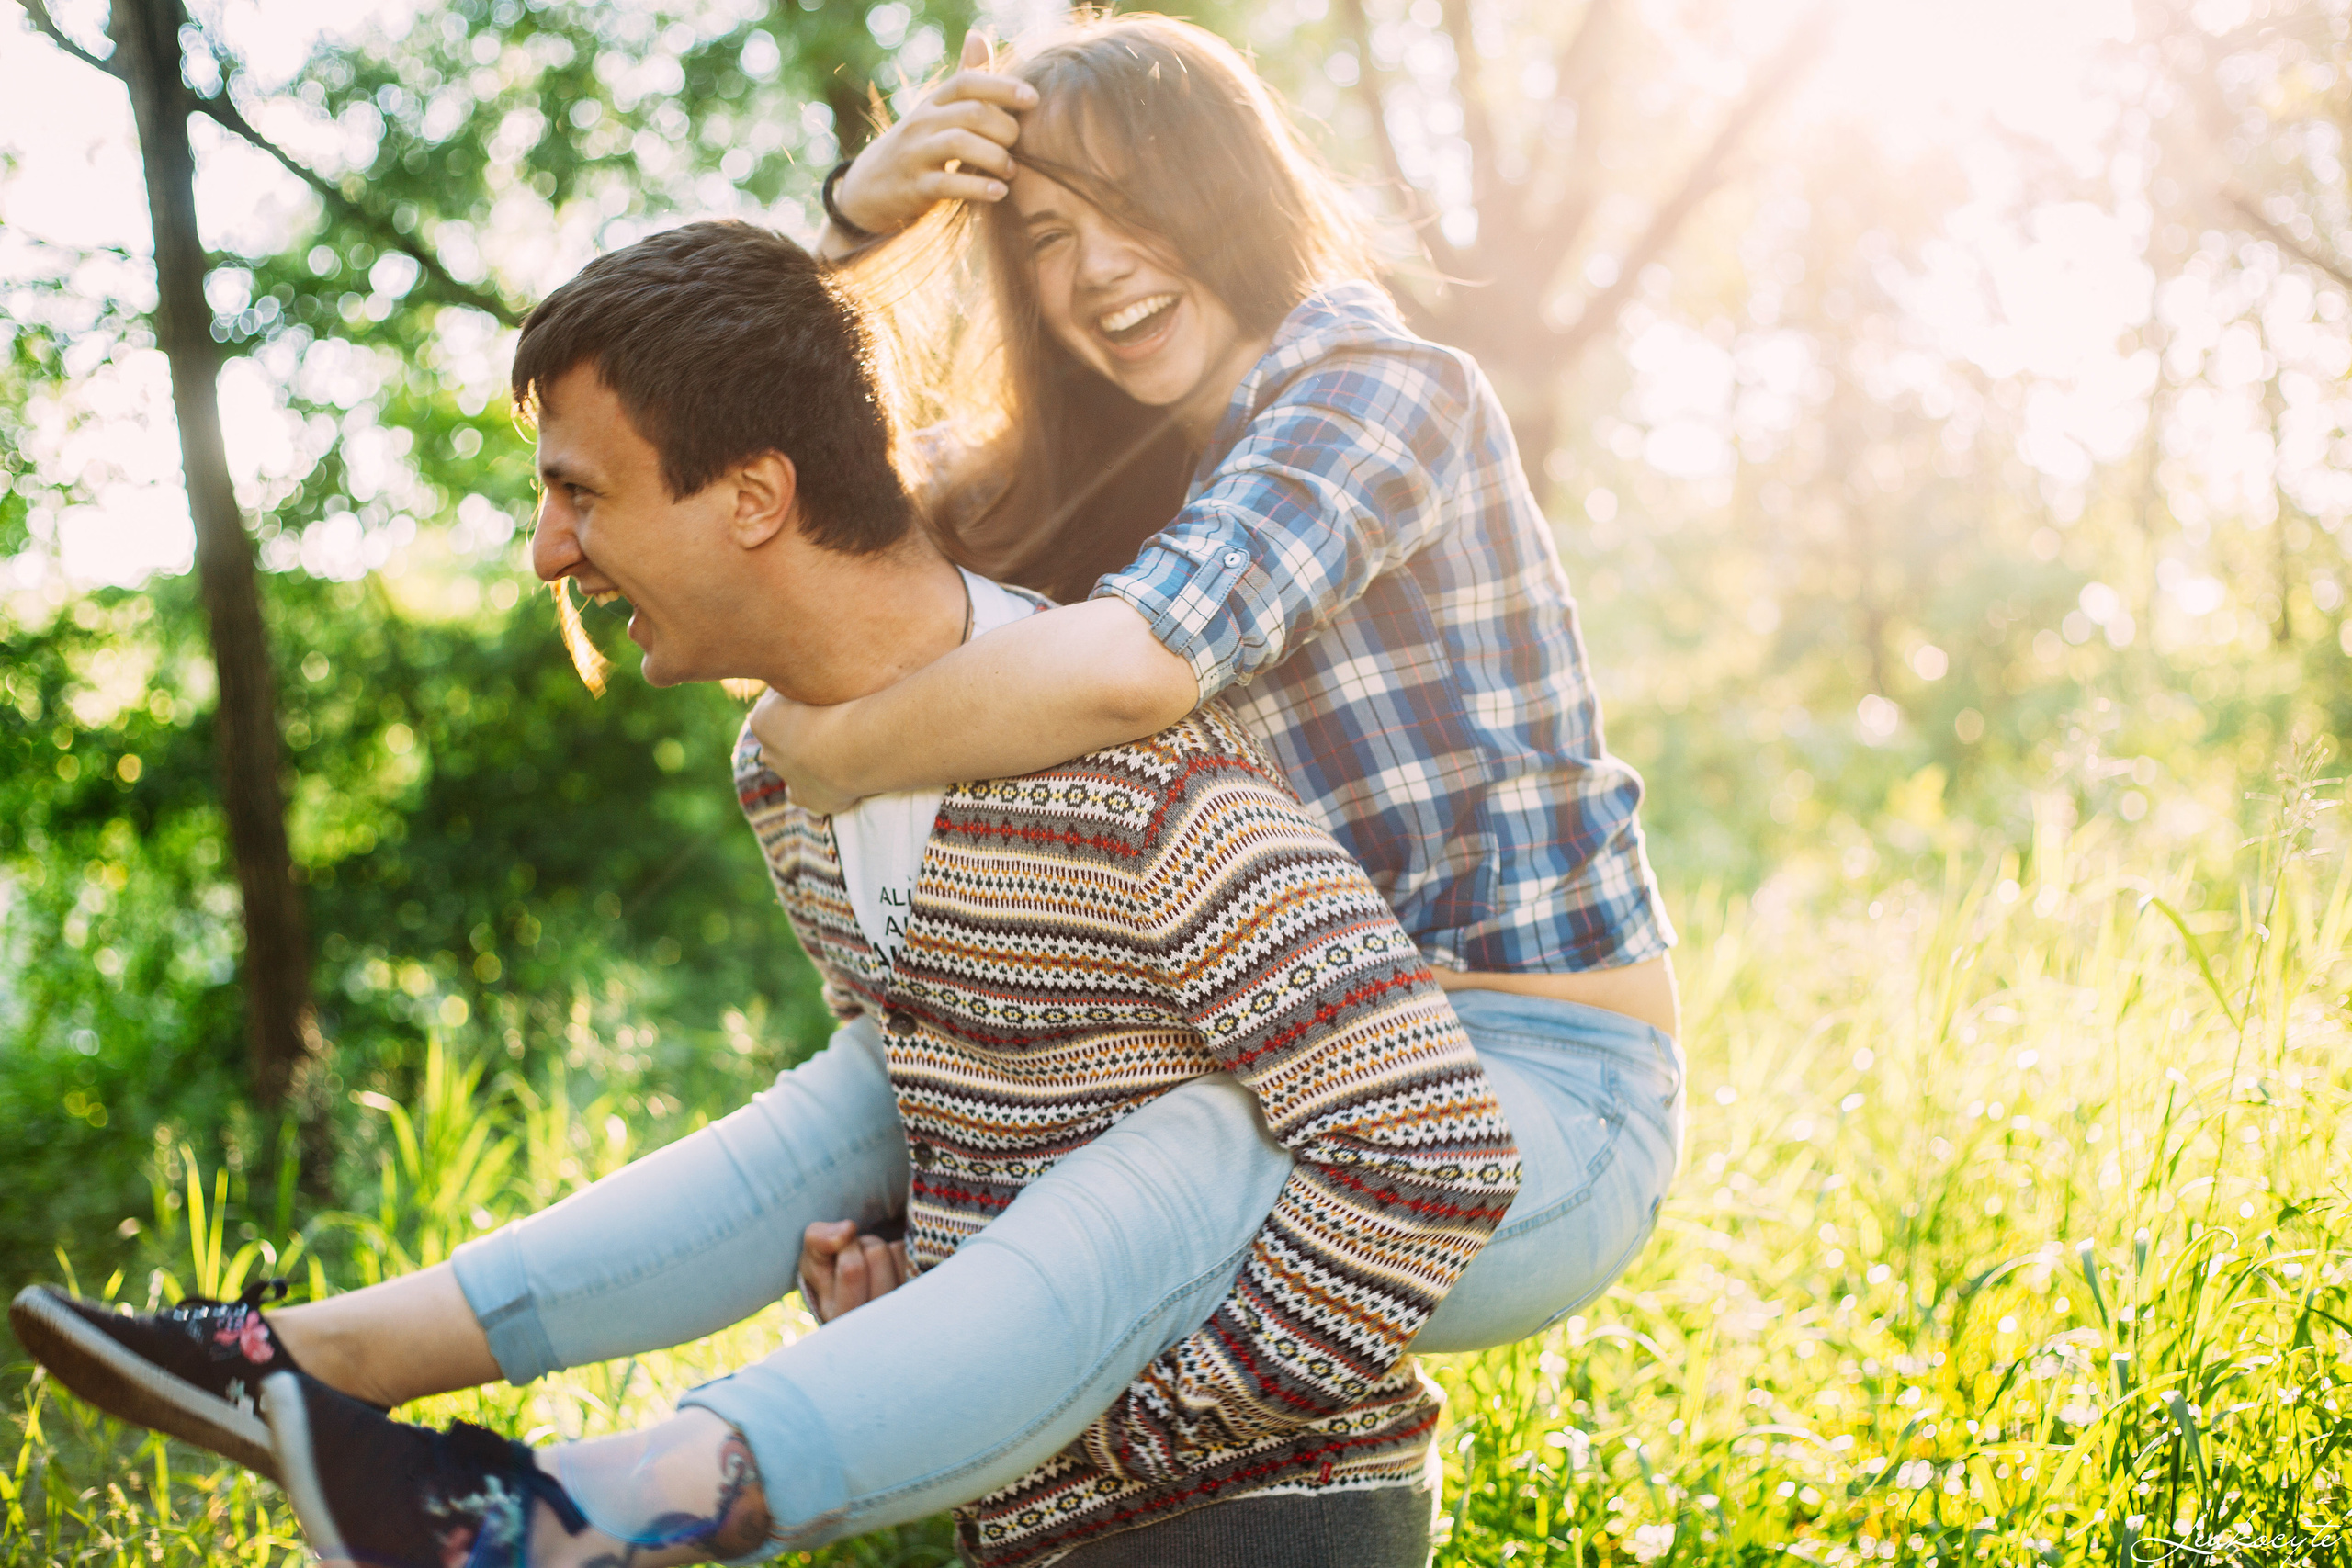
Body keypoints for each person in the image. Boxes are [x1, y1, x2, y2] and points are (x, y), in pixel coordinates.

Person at [11, 219, 1667, 1568]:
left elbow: (1413, 1151)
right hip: (1021, 1503)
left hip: (1251, 1510)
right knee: (846, 1110)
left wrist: (1134, 1421)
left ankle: (598, 1508)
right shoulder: (781, 775)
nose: (545, 555)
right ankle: (327, 1357)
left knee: (1200, 1140)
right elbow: (967, 1117)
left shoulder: (1136, 776)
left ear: (754, 499)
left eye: (579, 492)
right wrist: (919, 1266)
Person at [759, 15, 1685, 1312]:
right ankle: (394, 1379)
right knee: (858, 1119)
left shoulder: (1379, 388)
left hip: (1539, 1082)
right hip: (1272, 1073)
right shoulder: (1101, 479)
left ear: (1229, 185)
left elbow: (1142, 664)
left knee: (1124, 1211)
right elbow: (800, 537)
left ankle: (678, 1483)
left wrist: (838, 754)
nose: (1096, 270)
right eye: (1046, 236)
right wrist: (859, 230)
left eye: (1132, 204)